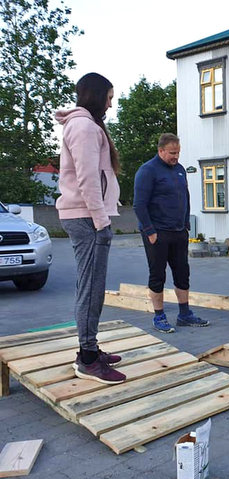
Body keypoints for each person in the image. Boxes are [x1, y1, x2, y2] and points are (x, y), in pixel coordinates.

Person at [56, 72, 126, 384]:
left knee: (91, 287)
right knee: (91, 288)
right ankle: (87, 358)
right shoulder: (84, 127)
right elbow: (87, 178)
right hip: (87, 218)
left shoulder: (86, 125)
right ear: (97, 96)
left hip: (87, 216)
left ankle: (90, 347)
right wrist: (101, 221)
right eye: (109, 98)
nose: (111, 105)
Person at [134, 133, 209, 333]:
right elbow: (139, 205)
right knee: (157, 275)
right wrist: (150, 231)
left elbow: (185, 196)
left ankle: (184, 314)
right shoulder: (147, 171)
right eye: (172, 153)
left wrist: (186, 224)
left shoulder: (180, 170)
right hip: (157, 232)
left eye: (178, 153)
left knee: (182, 273)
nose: (175, 157)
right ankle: (159, 316)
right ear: (161, 151)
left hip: (178, 231)